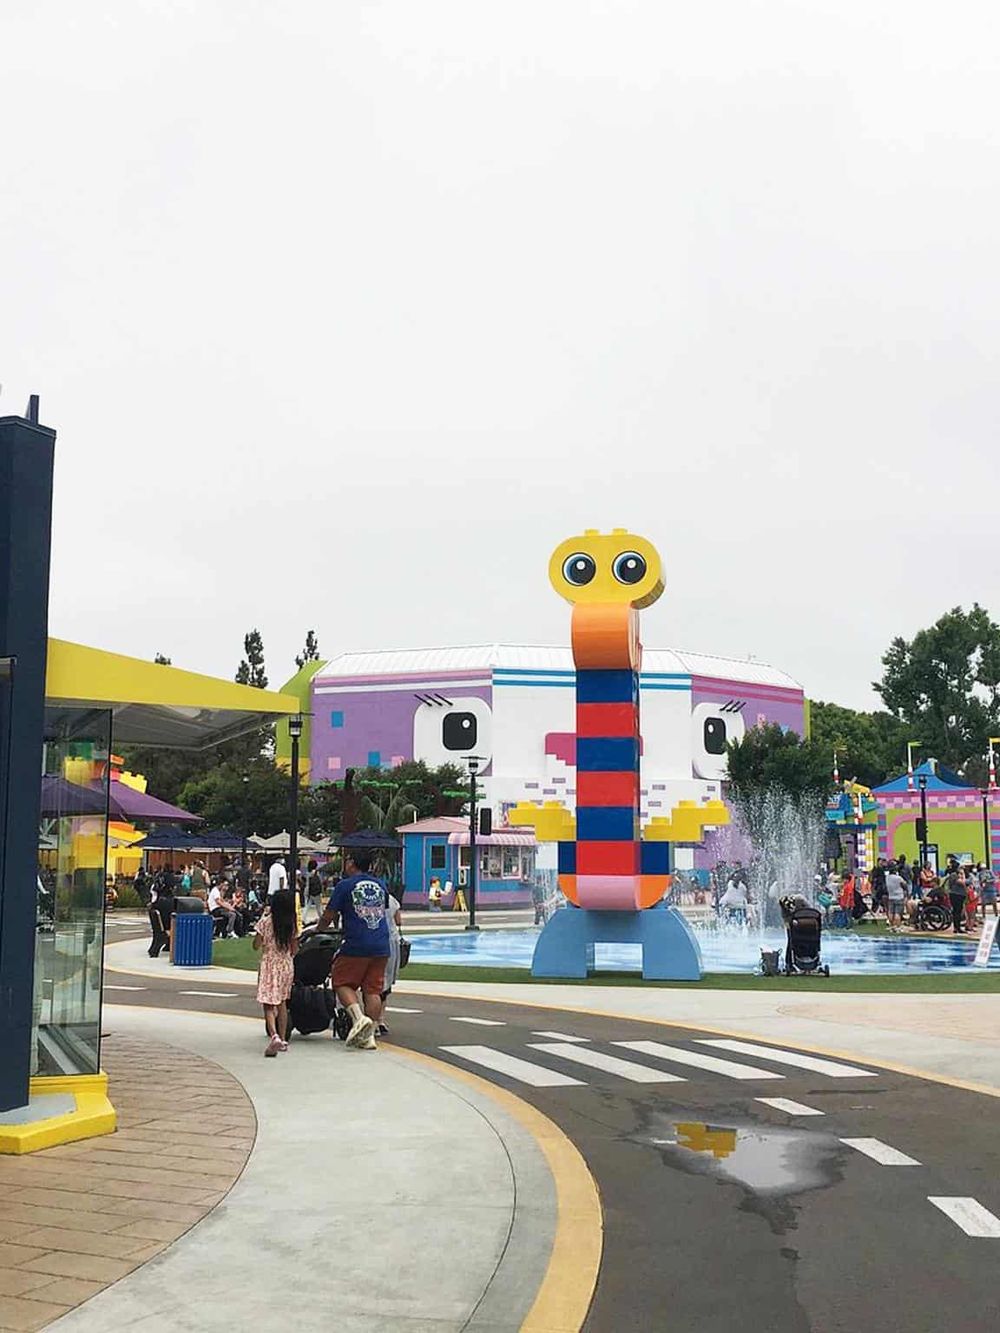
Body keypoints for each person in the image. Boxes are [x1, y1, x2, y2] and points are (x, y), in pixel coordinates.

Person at [312, 851, 390, 1050]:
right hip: (381, 944)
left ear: (352, 863)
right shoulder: (380, 885)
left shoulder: (345, 885)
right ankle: (369, 1036)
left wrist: (319, 929)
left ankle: (358, 1018)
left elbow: (329, 914)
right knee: (373, 990)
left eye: (347, 860)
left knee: (342, 982)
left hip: (357, 942)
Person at [253, 888, 298, 1056]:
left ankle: (274, 1036)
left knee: (268, 1003)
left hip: (269, 964)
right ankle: (283, 1038)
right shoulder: (291, 924)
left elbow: (256, 945)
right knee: (282, 1002)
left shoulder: (265, 922)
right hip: (286, 964)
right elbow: (294, 948)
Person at [378, 888, 404, 1036]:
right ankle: (381, 1019)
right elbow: (399, 921)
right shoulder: (392, 900)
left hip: (374, 941)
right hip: (392, 942)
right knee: (386, 982)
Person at [148, 877, 175, 958]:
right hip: (167, 928)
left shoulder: (157, 902)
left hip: (159, 926)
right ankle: (168, 945)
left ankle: (164, 946)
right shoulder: (170, 901)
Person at [943, 856, 968, 933]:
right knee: (957, 911)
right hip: (956, 895)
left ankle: (957, 927)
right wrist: (963, 875)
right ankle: (957, 927)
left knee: (958, 911)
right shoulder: (954, 875)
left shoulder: (955, 875)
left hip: (959, 894)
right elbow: (962, 882)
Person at [884, 861, 906, 931]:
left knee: (891, 912)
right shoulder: (898, 878)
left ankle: (892, 925)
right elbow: (904, 885)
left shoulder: (887, 878)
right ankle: (897, 926)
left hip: (891, 896)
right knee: (897, 913)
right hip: (899, 896)